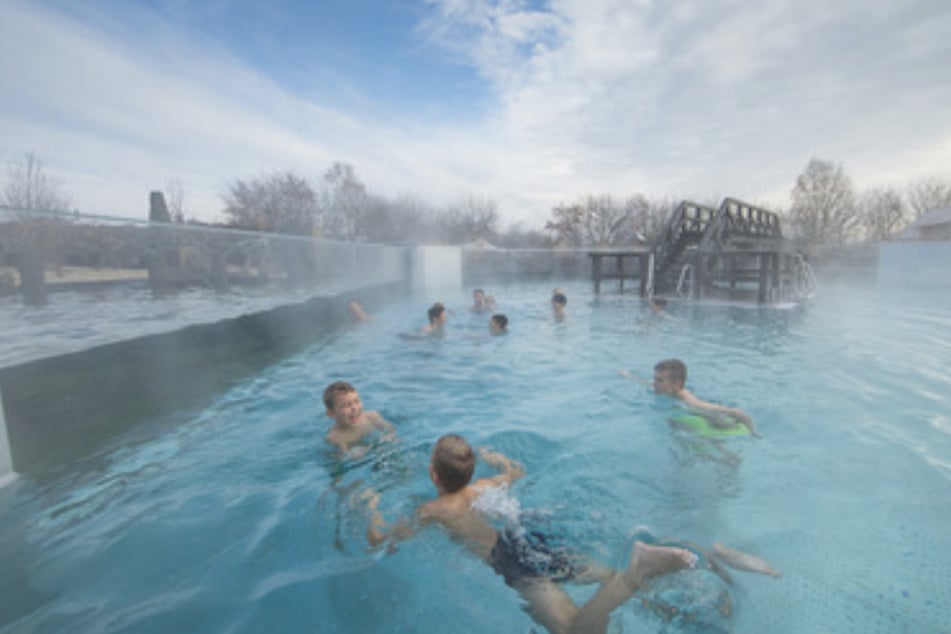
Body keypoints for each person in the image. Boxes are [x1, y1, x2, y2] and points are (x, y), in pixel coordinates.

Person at [361, 434, 698, 634]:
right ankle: (659, 606)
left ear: (433, 476)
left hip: (511, 561)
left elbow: (383, 541)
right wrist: (498, 459)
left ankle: (638, 571)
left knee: (571, 631)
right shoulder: (481, 487)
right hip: (527, 536)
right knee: (605, 574)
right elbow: (515, 471)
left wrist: (370, 505)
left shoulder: (432, 511)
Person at [646, 359, 757, 436]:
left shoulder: (691, 402)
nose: (654, 384)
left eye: (659, 381)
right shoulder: (665, 389)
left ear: (677, 384)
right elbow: (645, 382)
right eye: (654, 379)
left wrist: (753, 433)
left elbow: (735, 412)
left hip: (714, 419)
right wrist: (628, 375)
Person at [323, 381, 396, 456]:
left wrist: (389, 437)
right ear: (331, 414)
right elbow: (342, 459)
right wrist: (352, 455)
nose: (354, 408)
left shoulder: (372, 417)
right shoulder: (336, 438)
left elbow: (391, 430)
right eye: (346, 405)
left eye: (356, 401)